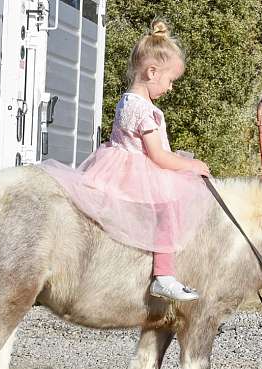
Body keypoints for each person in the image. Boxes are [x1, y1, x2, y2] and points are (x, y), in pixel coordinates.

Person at [43, 20, 211, 301]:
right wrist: (192, 166)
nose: (170, 88)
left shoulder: (129, 100)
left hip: (117, 164)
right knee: (168, 210)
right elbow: (157, 155)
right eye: (170, 81)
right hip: (138, 170)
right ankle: (164, 276)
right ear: (152, 72)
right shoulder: (143, 110)